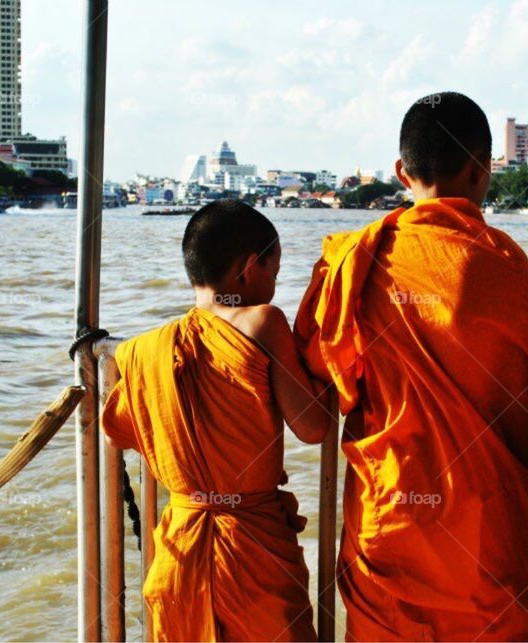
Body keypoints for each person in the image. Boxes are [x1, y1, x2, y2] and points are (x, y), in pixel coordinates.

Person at [295, 91, 528, 640]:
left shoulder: (355, 260)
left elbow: (320, 372)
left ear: (400, 171)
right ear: (483, 170)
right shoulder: (504, 266)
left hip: (391, 528)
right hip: (491, 543)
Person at [102, 200, 332, 642]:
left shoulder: (141, 351)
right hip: (252, 554)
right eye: (274, 272)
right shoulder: (262, 322)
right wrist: (321, 368)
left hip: (178, 552)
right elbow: (312, 427)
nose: (273, 285)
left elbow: (120, 433)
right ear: (248, 270)